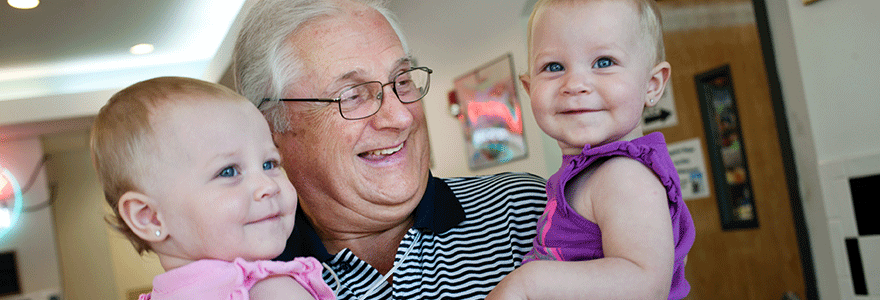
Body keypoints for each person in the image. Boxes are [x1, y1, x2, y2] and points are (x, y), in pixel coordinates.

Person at [232, 0, 548, 299]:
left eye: (402, 80)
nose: (400, 116)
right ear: (269, 129)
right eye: (352, 94)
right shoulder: (240, 280)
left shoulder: (527, 213)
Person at [486, 0, 696, 299]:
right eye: (554, 67)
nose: (575, 83)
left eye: (604, 62)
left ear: (651, 85)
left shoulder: (623, 175)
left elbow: (647, 285)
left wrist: (528, 283)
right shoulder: (590, 171)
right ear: (530, 89)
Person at [89, 77, 336, 300]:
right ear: (149, 217)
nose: (268, 185)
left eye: (269, 163)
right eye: (228, 171)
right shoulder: (267, 289)